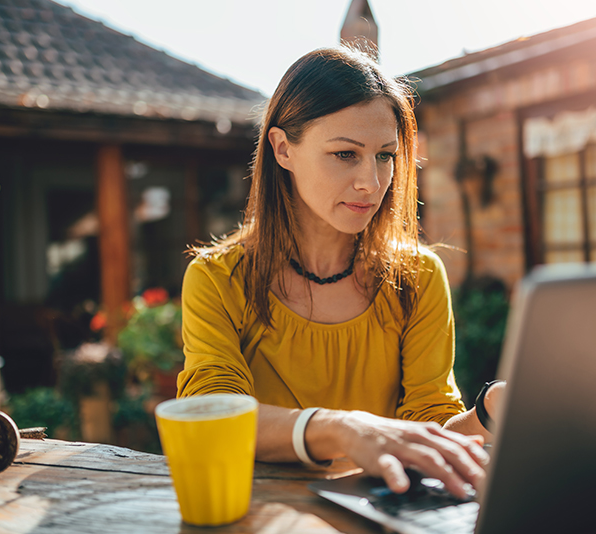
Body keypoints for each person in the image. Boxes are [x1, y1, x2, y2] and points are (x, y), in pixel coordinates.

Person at [177, 45, 505, 498]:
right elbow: (214, 414)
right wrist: (342, 428)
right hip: (265, 519)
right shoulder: (217, 279)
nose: (370, 182)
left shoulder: (418, 277)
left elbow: (426, 429)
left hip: (383, 517)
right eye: (345, 154)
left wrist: (489, 411)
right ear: (282, 149)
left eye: (385, 156)